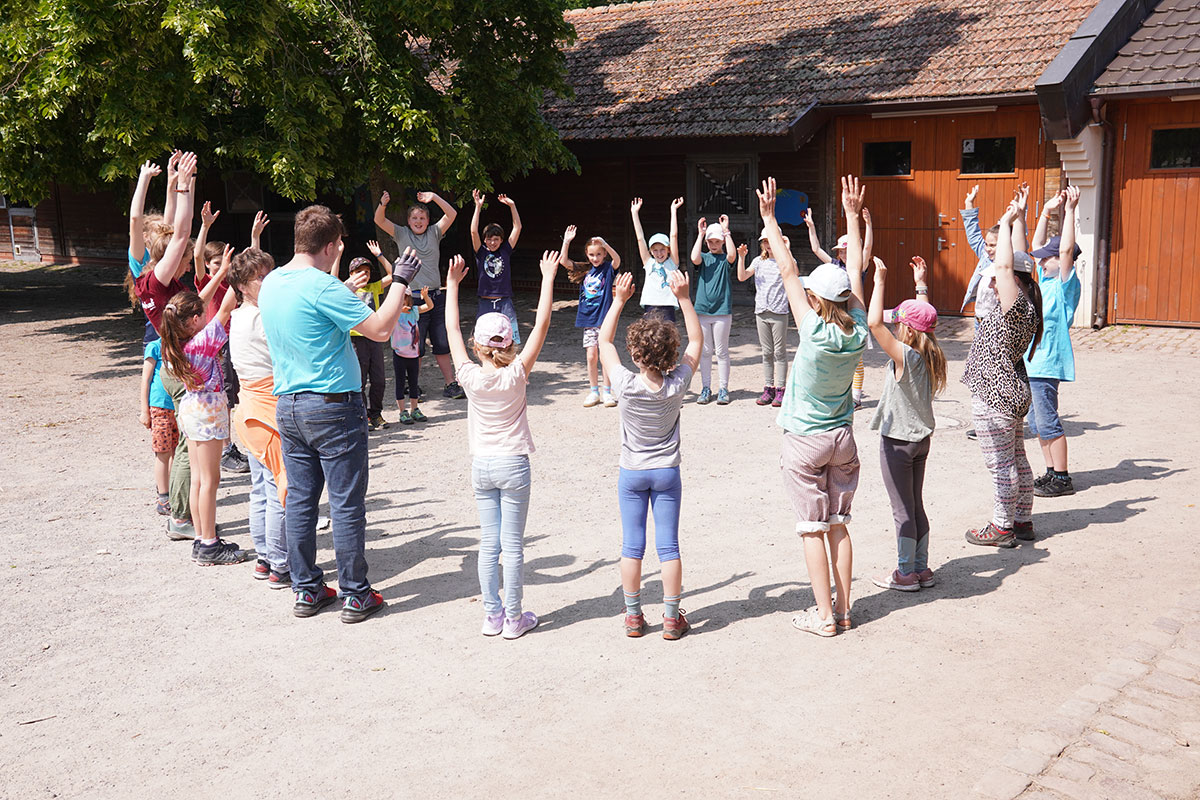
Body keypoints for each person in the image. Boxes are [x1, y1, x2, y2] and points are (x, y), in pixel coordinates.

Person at [259, 205, 423, 623]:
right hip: (332, 406)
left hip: (289, 405)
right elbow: (381, 330)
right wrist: (400, 281)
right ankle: (355, 592)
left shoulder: (272, 282)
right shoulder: (322, 286)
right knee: (347, 503)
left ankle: (307, 588)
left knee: (301, 500)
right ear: (331, 246)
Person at [761, 175, 868, 637]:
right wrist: (851, 215)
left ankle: (823, 617)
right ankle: (844, 610)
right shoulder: (857, 329)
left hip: (805, 439)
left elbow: (787, 270)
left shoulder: (812, 329)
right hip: (842, 438)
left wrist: (768, 218)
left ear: (813, 298)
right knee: (840, 524)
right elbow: (856, 273)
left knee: (812, 529)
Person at [445, 249, 561, 640]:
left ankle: (491, 616)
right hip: (514, 464)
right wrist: (547, 279)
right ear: (510, 342)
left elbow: (451, 332)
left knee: (488, 545)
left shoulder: (470, 377)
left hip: (483, 465)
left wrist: (451, 286)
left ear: (479, 346)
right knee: (512, 547)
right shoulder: (517, 373)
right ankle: (514, 618)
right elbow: (543, 324)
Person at [598, 270, 702, 639]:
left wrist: (619, 299)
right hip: (666, 473)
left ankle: (632, 616)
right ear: (670, 352)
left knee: (632, 545)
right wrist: (685, 298)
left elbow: (604, 338)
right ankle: (672, 619)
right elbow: (696, 342)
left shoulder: (624, 384)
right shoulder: (677, 385)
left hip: (632, 473)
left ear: (635, 353)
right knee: (669, 545)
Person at [962, 186, 1043, 548]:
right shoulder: (1027, 305)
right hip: (1012, 390)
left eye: (996, 274)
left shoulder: (1014, 307)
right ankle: (1022, 520)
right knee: (1018, 458)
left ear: (1012, 280)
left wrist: (1009, 222)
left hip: (995, 393)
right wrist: (1018, 220)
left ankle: (1001, 526)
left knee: (1000, 465)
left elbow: (1009, 263)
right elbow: (1018, 261)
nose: (991, 278)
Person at [158, 260, 248, 566]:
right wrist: (237, 281)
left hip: (191, 411)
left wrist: (220, 273)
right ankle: (209, 543)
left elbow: (202, 305)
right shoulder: (202, 344)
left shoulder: (173, 344)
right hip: (208, 413)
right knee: (210, 481)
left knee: (198, 478)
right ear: (195, 320)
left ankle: (201, 538)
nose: (205, 315)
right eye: (200, 315)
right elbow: (223, 311)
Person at [866, 255, 947, 592]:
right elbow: (923, 319)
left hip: (897, 441)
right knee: (915, 503)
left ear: (907, 330)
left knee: (902, 509)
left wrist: (880, 280)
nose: (896, 325)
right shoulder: (931, 353)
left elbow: (873, 324)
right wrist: (921, 286)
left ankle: (904, 573)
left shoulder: (905, 356)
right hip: (921, 441)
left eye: (900, 322)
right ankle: (922, 568)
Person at [226, 245, 291, 589]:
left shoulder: (238, 315)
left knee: (261, 489)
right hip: (266, 406)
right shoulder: (260, 318)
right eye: (260, 277)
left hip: (249, 406)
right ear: (243, 286)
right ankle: (280, 564)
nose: (268, 281)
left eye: (270, 273)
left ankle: (266, 558)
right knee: (281, 487)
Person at [374, 189, 463, 399]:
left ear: (428, 220)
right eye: (414, 217)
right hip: (411, 298)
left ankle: (451, 384)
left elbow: (452, 215)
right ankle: (412, 386)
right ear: (408, 220)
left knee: (442, 342)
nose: (418, 221)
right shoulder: (401, 233)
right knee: (416, 344)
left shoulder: (435, 232)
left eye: (422, 217)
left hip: (436, 296)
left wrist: (435, 198)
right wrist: (383, 203)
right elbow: (379, 220)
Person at [1026, 187, 1082, 498]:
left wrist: (1070, 210)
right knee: (1037, 422)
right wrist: (1046, 211)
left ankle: (1062, 477)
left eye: (1046, 257)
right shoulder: (1045, 280)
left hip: (1047, 364)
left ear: (1059, 262)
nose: (1040, 258)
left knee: (1048, 421)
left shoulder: (1064, 286)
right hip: (1033, 362)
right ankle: (1050, 471)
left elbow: (1064, 251)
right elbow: (1036, 245)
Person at [194, 200, 251, 472]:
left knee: (234, 394)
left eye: (224, 263)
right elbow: (196, 258)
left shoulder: (231, 284)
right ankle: (226, 448)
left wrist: (254, 237)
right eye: (216, 263)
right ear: (208, 264)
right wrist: (204, 227)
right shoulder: (205, 282)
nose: (222, 267)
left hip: (233, 341)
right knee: (225, 396)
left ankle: (233, 446)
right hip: (215, 346)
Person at [805, 206, 871, 407]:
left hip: (853, 315)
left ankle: (856, 397)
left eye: (845, 249)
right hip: (834, 316)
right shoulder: (834, 264)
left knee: (856, 360)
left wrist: (868, 225)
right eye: (840, 250)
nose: (842, 253)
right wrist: (811, 226)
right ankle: (840, 393)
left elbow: (866, 249)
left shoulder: (859, 266)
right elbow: (816, 250)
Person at [367, 240, 433, 424]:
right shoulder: (394, 313)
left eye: (408, 299)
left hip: (414, 354)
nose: (405, 302)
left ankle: (415, 409)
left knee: (414, 383)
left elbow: (429, 306)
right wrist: (380, 256)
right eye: (402, 298)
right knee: (399, 383)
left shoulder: (413, 311)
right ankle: (402, 411)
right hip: (399, 353)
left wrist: (426, 296)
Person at [559, 225, 622, 407]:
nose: (595, 258)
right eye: (592, 255)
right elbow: (564, 261)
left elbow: (617, 259)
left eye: (599, 254)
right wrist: (567, 240)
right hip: (588, 319)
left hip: (604, 319)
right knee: (591, 356)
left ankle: (608, 392)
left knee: (605, 356)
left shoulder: (608, 269)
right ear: (587, 254)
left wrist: (605, 244)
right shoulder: (585, 269)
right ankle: (594, 391)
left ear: (604, 255)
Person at [960, 184, 1000, 441]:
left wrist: (1018, 216)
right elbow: (973, 234)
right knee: (981, 372)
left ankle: (998, 422)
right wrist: (969, 205)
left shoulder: (1011, 262)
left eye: (994, 244)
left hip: (1000, 325)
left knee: (996, 371)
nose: (987, 248)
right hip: (980, 322)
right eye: (987, 244)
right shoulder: (985, 257)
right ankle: (984, 421)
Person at [736, 232, 790, 407]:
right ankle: (769, 388)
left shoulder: (785, 262)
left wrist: (787, 251)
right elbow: (742, 276)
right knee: (767, 352)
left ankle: (781, 389)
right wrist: (741, 258)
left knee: (780, 352)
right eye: (765, 242)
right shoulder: (758, 261)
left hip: (779, 312)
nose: (768, 245)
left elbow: (794, 273)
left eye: (771, 241)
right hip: (761, 311)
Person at [689, 213, 736, 405]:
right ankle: (706, 388)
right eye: (710, 241)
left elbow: (733, 255)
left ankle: (723, 388)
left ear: (722, 241)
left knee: (722, 351)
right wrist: (700, 235)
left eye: (717, 241)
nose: (713, 244)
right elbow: (694, 257)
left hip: (722, 311)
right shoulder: (705, 258)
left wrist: (726, 231)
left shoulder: (725, 260)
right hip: (702, 310)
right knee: (706, 351)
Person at [346, 254, 393, 431]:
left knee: (379, 379)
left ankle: (376, 414)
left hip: (374, 338)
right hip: (356, 339)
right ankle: (362, 414)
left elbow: (392, 274)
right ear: (351, 274)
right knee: (360, 379)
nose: (364, 275)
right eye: (359, 272)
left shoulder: (374, 287)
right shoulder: (346, 290)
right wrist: (340, 255)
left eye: (366, 272)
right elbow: (332, 279)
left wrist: (380, 256)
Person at [470, 190, 523, 344]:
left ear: (501, 240)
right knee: (482, 339)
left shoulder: (505, 251)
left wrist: (512, 206)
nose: (492, 242)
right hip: (485, 302)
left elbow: (517, 227)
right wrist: (477, 207)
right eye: (489, 239)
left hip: (505, 302)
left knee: (511, 339)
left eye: (496, 239)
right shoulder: (481, 252)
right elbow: (473, 231)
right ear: (484, 240)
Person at [138, 335, 178, 517]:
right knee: (163, 452)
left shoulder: (183, 345)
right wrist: (144, 410)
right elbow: (145, 380)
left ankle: (175, 491)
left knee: (177, 452)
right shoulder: (155, 347)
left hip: (179, 405)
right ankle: (163, 497)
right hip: (160, 406)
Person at [630, 196, 683, 321]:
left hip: (668, 305)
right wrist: (634, 213)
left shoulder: (672, 262)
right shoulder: (648, 263)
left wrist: (673, 210)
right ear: (651, 252)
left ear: (668, 249)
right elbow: (640, 238)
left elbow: (674, 236)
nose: (659, 253)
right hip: (650, 305)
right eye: (655, 250)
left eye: (662, 249)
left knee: (668, 338)